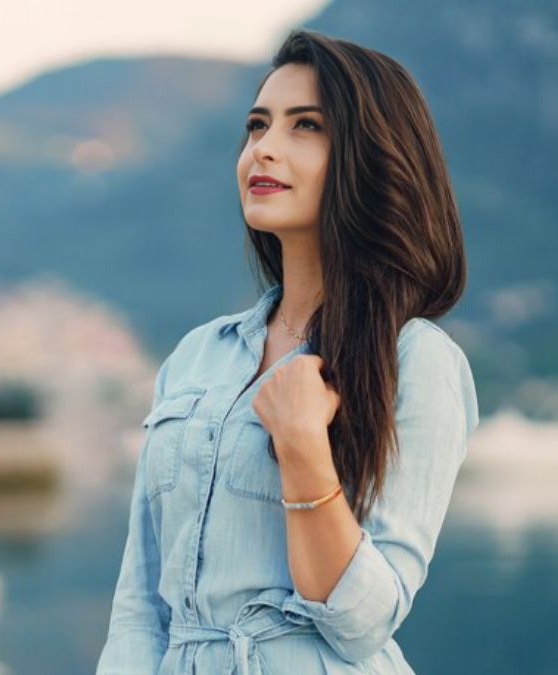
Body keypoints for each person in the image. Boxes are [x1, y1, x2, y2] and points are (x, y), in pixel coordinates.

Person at [95, 29, 480, 675]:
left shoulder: (419, 360)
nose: (262, 149)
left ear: (371, 158)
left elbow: (364, 622)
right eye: (256, 126)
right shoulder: (196, 356)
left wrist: (303, 444)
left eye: (306, 126)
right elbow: (140, 602)